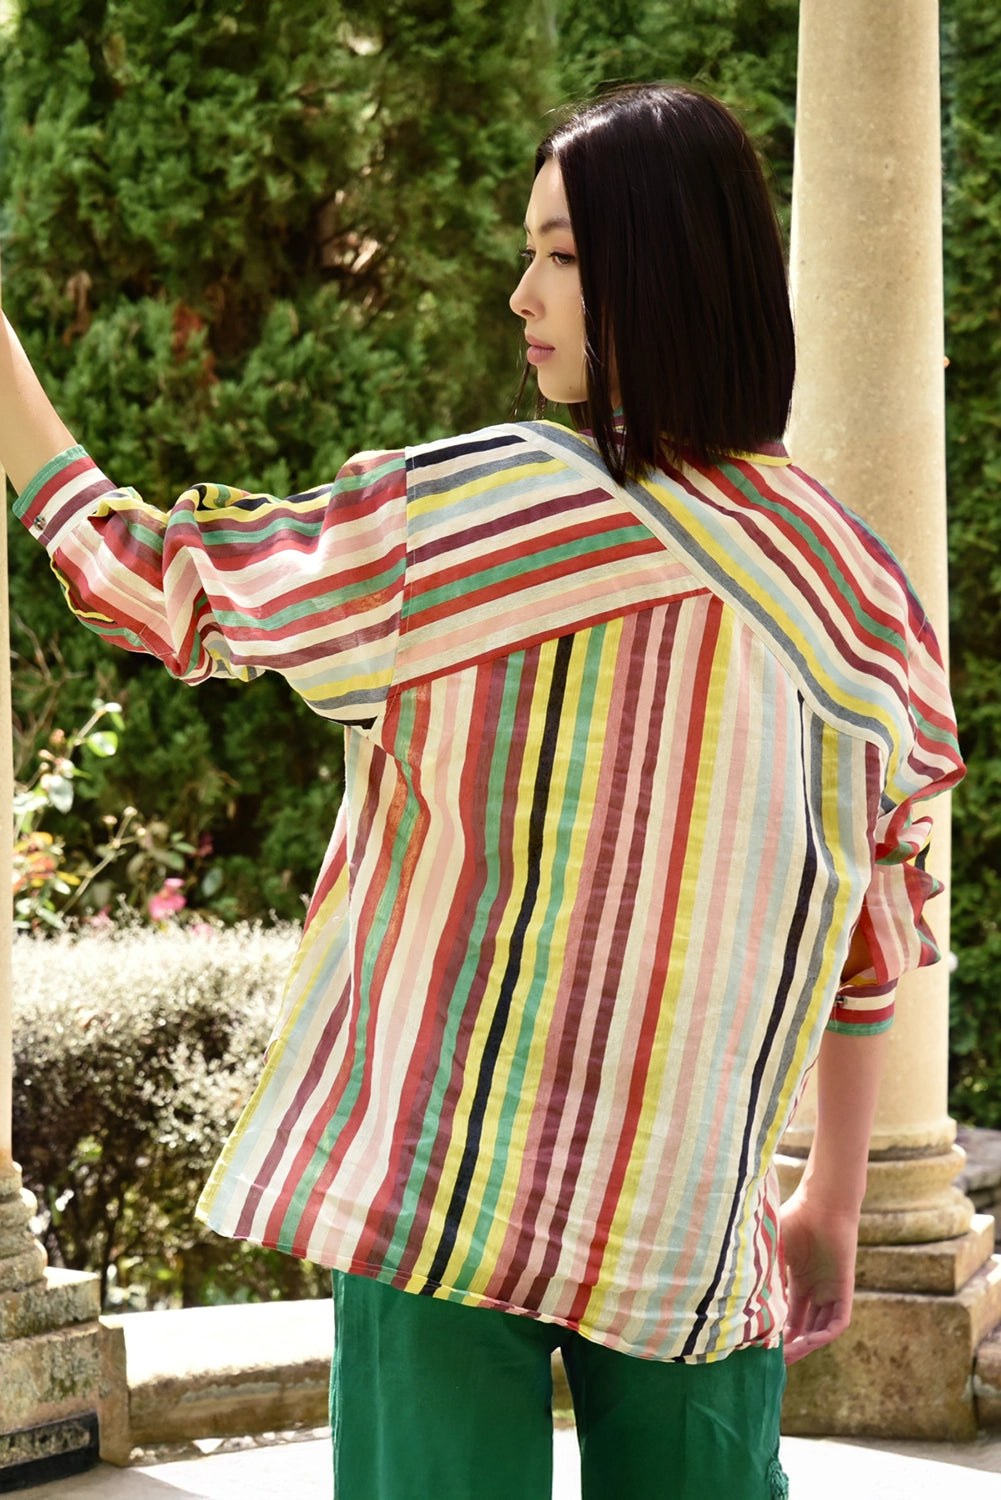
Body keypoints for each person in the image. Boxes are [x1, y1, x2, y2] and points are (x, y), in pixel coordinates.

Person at [1, 83, 963, 1500]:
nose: (522, 293)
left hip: (443, 1191)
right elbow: (868, 936)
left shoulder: (473, 519)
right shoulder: (856, 594)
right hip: (684, 1209)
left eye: (562, 254)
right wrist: (828, 1192)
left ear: (665, 268)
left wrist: (10, 385)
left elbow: (169, 587)